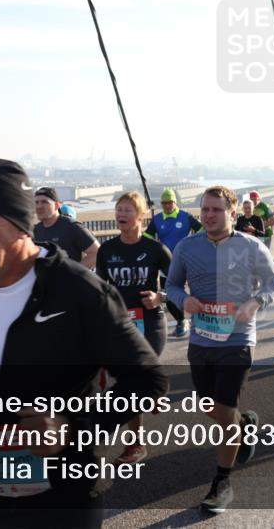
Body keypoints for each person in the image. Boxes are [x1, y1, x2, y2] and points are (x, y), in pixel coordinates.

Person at [0, 159, 167, 528]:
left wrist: (71, 427)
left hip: (67, 496)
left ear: (17, 224)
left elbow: (149, 381)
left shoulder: (79, 290)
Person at [165, 186, 274, 513]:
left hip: (237, 340)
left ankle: (222, 481)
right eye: (205, 209)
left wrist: (256, 302)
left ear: (232, 213)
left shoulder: (252, 246)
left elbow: (273, 283)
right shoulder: (187, 247)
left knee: (225, 409)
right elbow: (171, 285)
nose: (209, 215)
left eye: (216, 210)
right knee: (210, 407)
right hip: (201, 339)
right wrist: (183, 300)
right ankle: (245, 424)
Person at [97, 192, 172, 465]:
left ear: (140, 216)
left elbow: (178, 285)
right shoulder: (107, 250)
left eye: (128, 210)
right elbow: (101, 289)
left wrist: (159, 297)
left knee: (134, 382)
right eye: (119, 209)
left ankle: (135, 444)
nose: (121, 214)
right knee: (132, 385)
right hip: (121, 324)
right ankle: (150, 392)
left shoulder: (156, 250)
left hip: (150, 322)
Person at [144, 188, 203, 338]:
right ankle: (181, 321)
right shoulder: (157, 219)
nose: (167, 205)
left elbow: (202, 230)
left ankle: (201, 319)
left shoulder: (185, 216)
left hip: (187, 262)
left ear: (175, 203)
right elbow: (146, 237)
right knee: (168, 294)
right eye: (164, 203)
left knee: (197, 291)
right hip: (166, 263)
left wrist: (195, 246)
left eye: (170, 202)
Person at [33, 186, 99, 270]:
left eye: (44, 202)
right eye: (36, 202)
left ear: (57, 205)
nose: (39, 206)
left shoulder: (72, 226)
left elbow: (96, 252)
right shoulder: (35, 230)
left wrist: (74, 272)